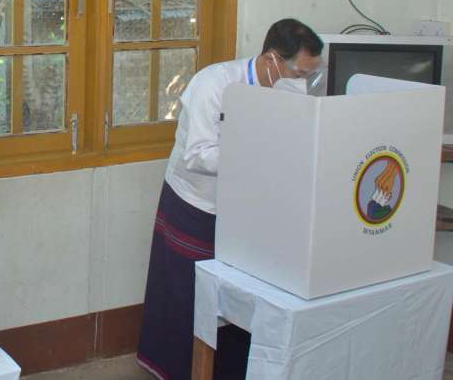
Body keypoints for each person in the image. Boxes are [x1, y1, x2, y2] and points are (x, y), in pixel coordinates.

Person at [136, 19, 324, 380]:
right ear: (272, 59)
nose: (303, 82)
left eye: (310, 75)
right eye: (300, 72)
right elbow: (197, 156)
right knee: (188, 295)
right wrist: (256, 157)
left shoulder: (290, 90)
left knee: (241, 297)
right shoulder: (213, 84)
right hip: (197, 202)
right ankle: (178, 370)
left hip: (249, 207)